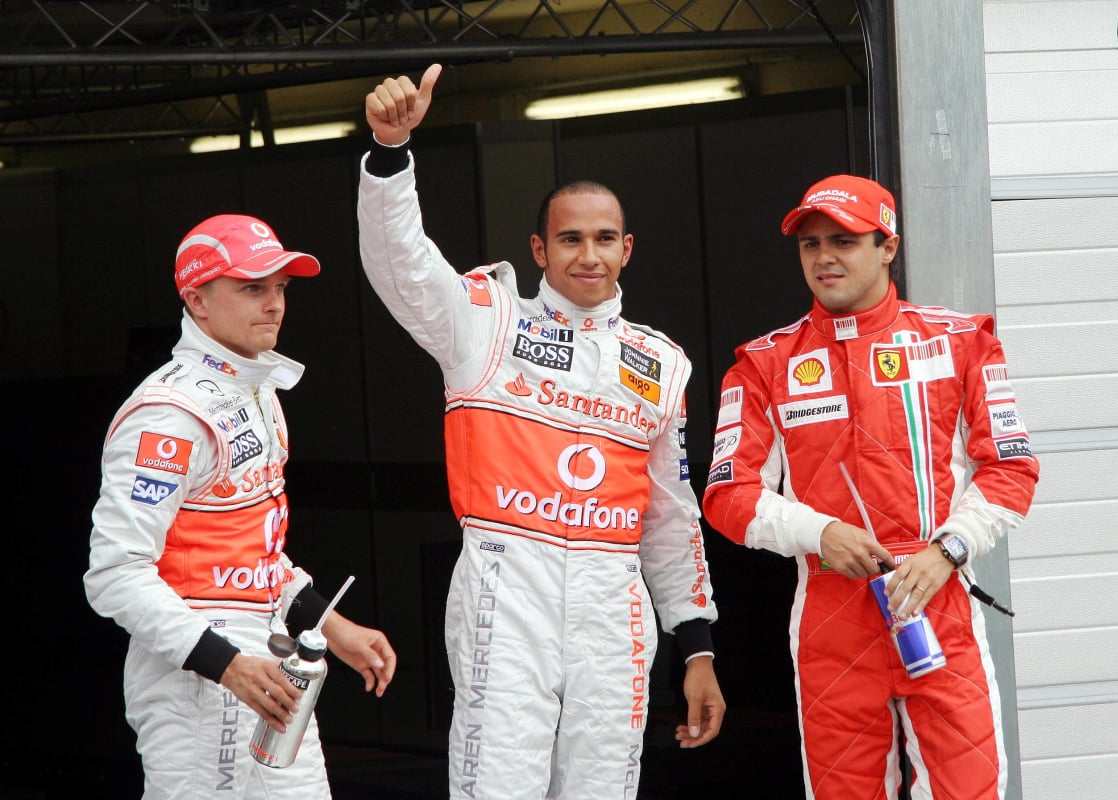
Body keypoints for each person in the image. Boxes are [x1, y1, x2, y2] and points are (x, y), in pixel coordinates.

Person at [357, 64, 724, 800]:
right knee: (497, 786)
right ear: (538, 250)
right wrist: (392, 157)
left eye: (604, 239)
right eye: (569, 239)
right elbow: (404, 268)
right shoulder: (486, 321)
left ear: (627, 249)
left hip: (612, 599)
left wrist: (697, 645)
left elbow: (671, 516)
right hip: (506, 583)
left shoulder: (661, 362)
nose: (587, 255)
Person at [701, 174, 1040, 799]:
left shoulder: (962, 341)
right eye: (810, 244)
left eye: (845, 240)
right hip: (832, 615)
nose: (824, 256)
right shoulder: (763, 364)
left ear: (888, 246)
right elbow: (726, 495)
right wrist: (819, 532)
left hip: (937, 602)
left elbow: (1012, 468)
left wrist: (950, 550)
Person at [83, 213, 397, 799]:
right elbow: (114, 573)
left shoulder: (259, 390)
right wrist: (227, 664)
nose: (274, 303)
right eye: (253, 287)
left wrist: (330, 622)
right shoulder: (169, 413)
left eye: (280, 287)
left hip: (268, 662)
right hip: (196, 677)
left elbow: (253, 551)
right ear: (197, 299)